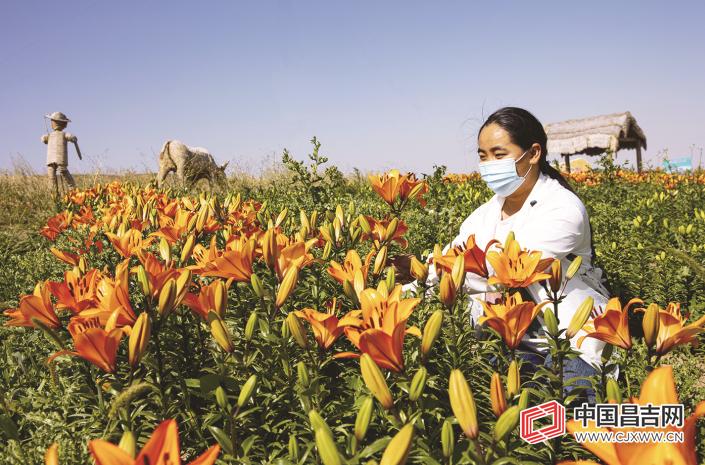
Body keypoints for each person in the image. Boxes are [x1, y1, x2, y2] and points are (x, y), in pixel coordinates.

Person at [400, 107, 612, 400]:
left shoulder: (563, 208)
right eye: (482, 156)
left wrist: (458, 268)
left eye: (499, 155)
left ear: (534, 153)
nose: (488, 165)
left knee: (568, 409)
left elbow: (512, 271)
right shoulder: (482, 216)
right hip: (508, 340)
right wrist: (401, 296)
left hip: (566, 338)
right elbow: (443, 265)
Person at [42, 111, 82, 198]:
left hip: (59, 159)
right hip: (53, 159)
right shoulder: (51, 135)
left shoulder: (63, 134)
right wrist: (44, 138)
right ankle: (55, 195)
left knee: (62, 172)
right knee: (52, 176)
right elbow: (44, 140)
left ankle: (73, 191)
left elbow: (71, 137)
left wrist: (73, 138)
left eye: (52, 121)